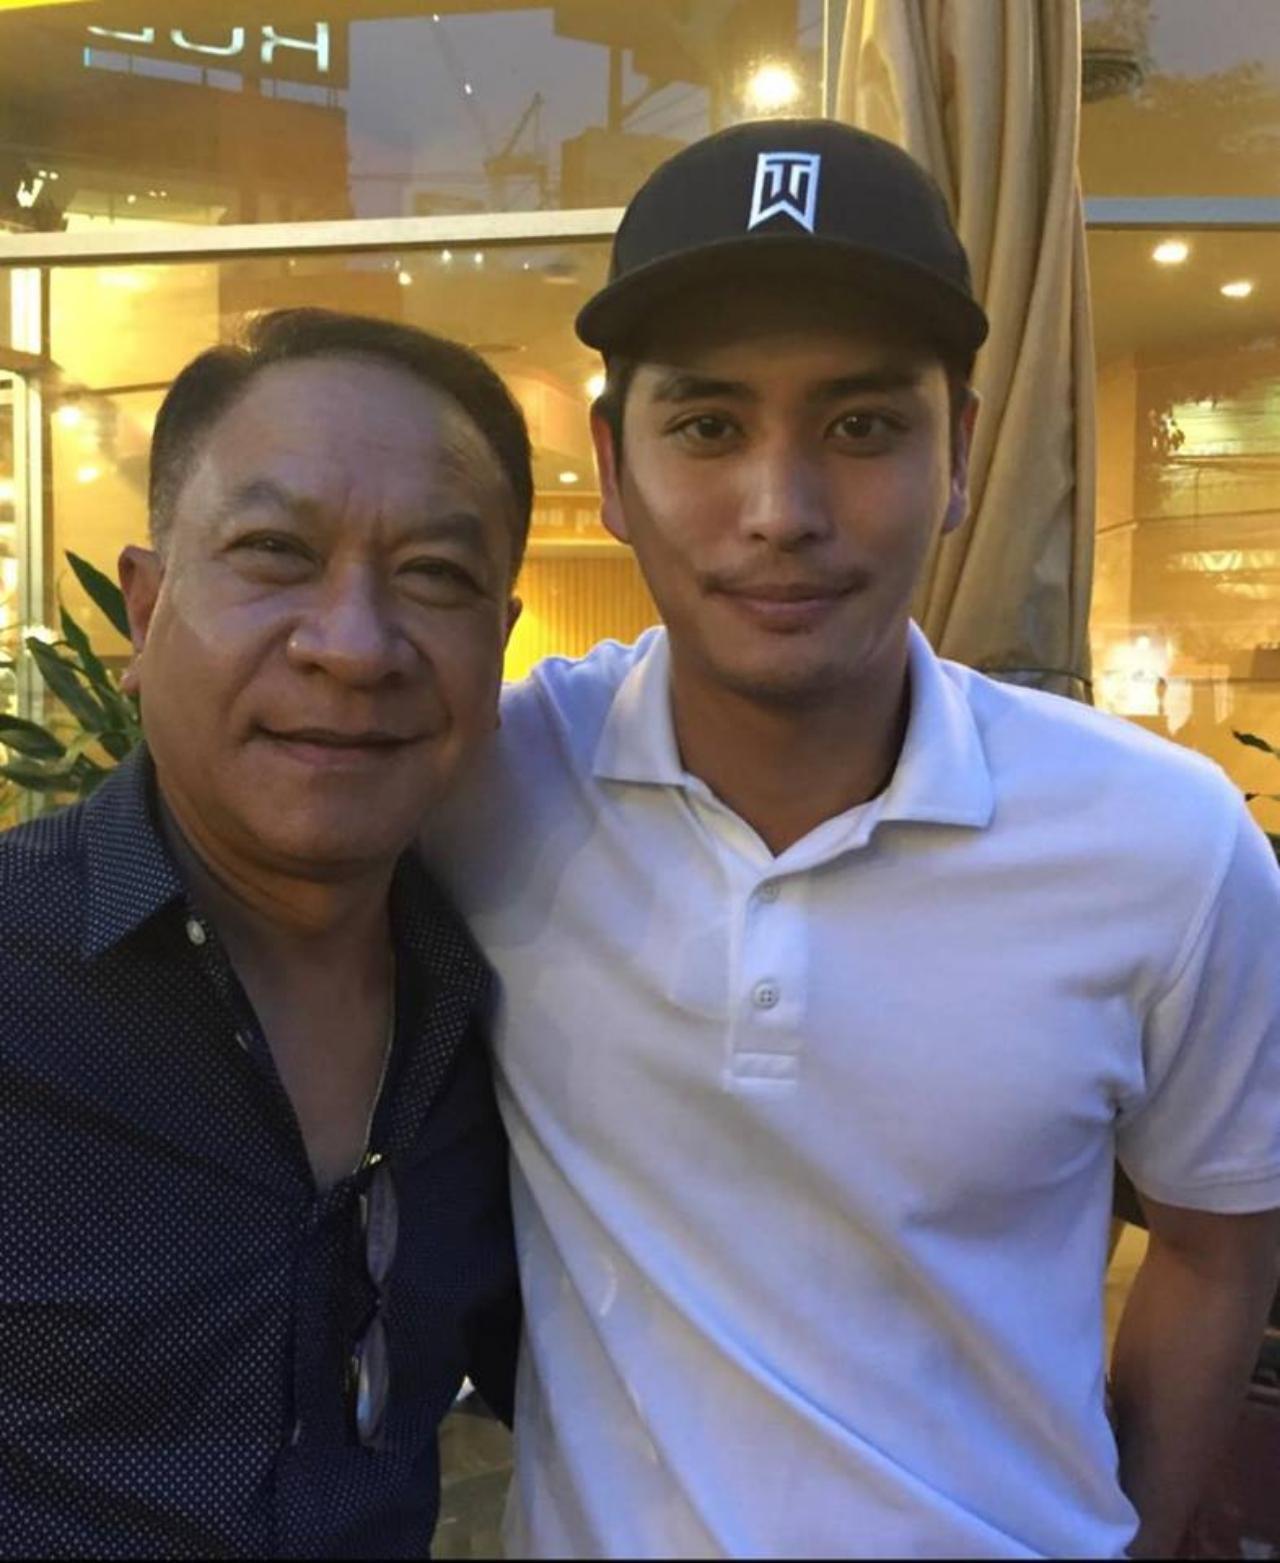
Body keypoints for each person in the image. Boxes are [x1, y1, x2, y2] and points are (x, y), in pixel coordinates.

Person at [428, 121, 1280, 1558]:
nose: (783, 512)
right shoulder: (488, 784)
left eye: (864, 426)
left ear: (959, 454)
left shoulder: (1163, 839)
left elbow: (1215, 1239)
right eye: (708, 428)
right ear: (613, 467)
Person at [0, 309, 527, 1558]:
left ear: (499, 644)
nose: (352, 647)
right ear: (144, 610)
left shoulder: (511, 1012)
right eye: (274, 552)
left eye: (435, 576)